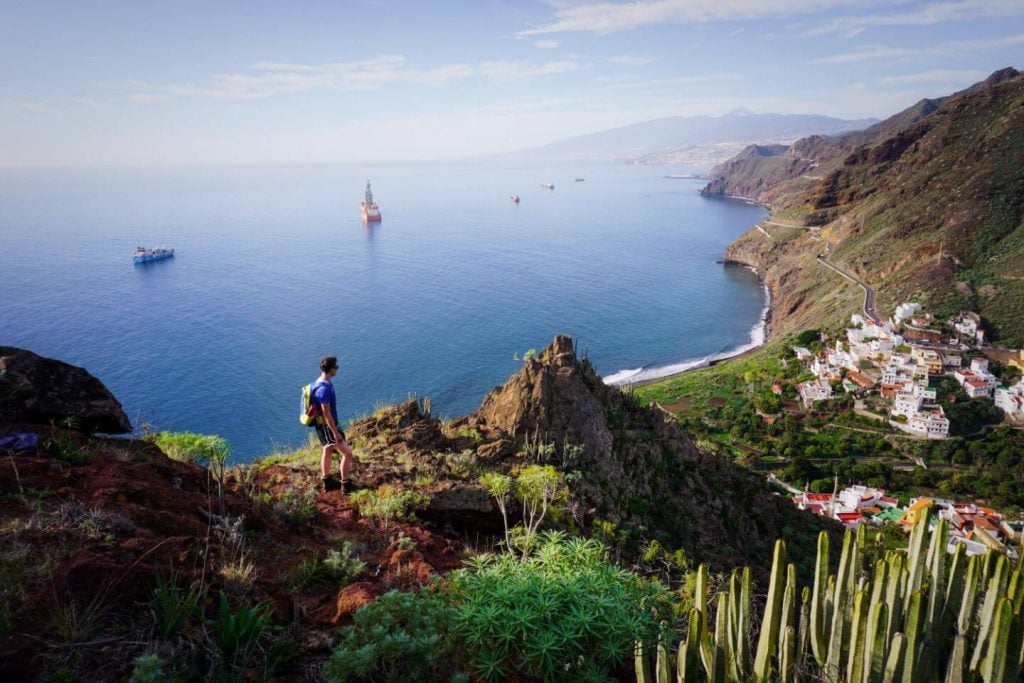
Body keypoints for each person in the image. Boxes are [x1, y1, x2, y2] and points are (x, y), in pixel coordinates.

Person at [312, 356, 355, 492]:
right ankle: (345, 485)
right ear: (330, 369)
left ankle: (327, 481)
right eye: (336, 367)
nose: (337, 369)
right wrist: (335, 432)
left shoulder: (318, 383)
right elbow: (326, 413)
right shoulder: (323, 389)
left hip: (321, 425)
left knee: (327, 449)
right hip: (327, 426)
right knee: (347, 453)